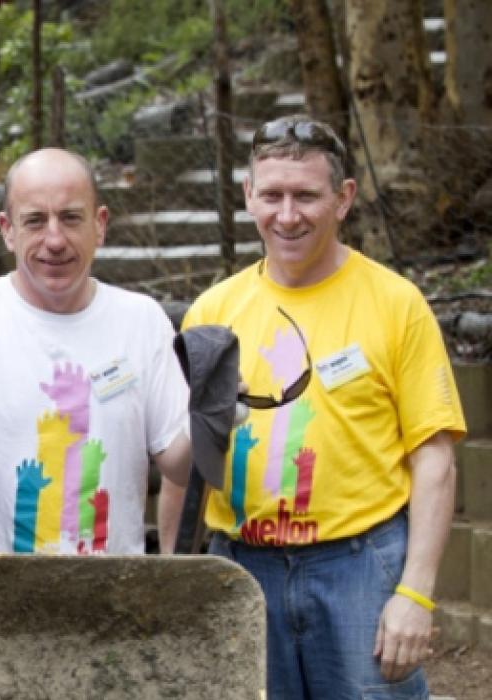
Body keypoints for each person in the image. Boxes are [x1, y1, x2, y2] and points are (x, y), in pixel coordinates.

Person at [179, 114, 466, 698]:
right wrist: (179, 578)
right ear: (248, 196)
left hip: (361, 565)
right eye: (273, 195)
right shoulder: (212, 312)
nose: (288, 216)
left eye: (307, 195)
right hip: (240, 567)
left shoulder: (395, 303)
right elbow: (187, 468)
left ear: (344, 199)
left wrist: (414, 594)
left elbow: (434, 457)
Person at [0, 147, 192, 560]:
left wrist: (212, 416)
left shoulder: (141, 320)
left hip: (114, 602)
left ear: (99, 225)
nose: (54, 240)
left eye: (70, 218)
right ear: (7, 229)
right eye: (35, 221)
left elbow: (178, 464)